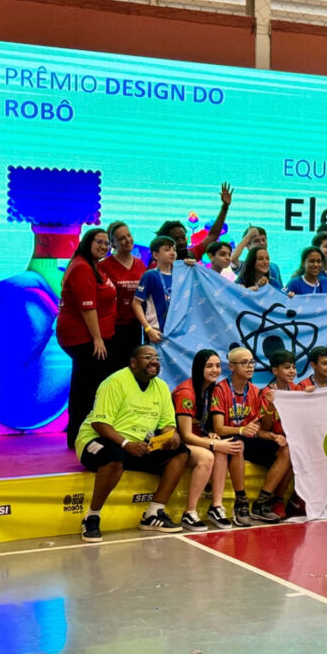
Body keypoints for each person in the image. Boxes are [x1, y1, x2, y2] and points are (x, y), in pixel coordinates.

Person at [75, 346, 203, 542]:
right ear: (133, 362)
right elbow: (99, 423)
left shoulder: (161, 387)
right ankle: (92, 517)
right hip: (98, 440)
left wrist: (172, 436)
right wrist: (126, 444)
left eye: (157, 358)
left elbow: (167, 424)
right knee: (114, 456)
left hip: (139, 446)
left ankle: (154, 512)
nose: (154, 362)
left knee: (181, 451)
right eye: (148, 357)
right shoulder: (115, 382)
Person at [213, 347, 289, 524]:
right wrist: (241, 430)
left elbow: (262, 428)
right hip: (229, 438)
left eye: (252, 362)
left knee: (285, 450)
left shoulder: (255, 391)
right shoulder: (220, 389)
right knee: (238, 444)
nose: (250, 366)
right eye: (244, 363)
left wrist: (271, 411)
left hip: (250, 440)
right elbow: (218, 428)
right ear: (231, 367)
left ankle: (261, 503)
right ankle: (241, 501)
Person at [172, 349, 245, 530]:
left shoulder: (212, 390)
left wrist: (211, 433)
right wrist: (214, 443)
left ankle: (216, 506)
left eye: (218, 366)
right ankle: (189, 512)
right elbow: (186, 434)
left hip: (196, 439)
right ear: (199, 368)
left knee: (224, 449)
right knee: (208, 456)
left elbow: (205, 423)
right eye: (209, 366)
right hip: (177, 441)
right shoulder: (186, 393)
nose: (215, 370)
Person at [57, 227, 117, 449]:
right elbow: (87, 307)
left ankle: (81, 435)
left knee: (87, 386)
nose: (103, 246)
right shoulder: (82, 267)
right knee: (85, 389)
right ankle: (78, 437)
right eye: (98, 242)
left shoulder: (92, 265)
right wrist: (97, 339)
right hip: (83, 338)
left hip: (91, 337)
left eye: (106, 243)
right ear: (87, 242)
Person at [260, 349, 312, 519]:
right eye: (287, 367)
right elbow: (264, 427)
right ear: (275, 370)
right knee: (290, 450)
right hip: (270, 439)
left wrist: (311, 397)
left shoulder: (298, 390)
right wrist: (271, 406)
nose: (292, 371)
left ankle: (298, 499)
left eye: (294, 367)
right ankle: (276, 500)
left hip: (291, 439)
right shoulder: (266, 392)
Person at [99, 221, 147, 371]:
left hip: (135, 326)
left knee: (132, 369)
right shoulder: (103, 266)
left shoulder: (140, 264)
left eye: (128, 235)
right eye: (121, 238)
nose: (127, 240)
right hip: (112, 328)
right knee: (114, 370)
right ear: (112, 243)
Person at [154, 181, 232, 262]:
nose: (181, 242)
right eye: (176, 239)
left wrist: (225, 207)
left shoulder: (191, 255)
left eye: (183, 237)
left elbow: (213, 236)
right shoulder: (156, 266)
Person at [132, 235, 176, 343]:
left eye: (174, 249)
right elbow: (136, 304)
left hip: (174, 332)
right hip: (156, 332)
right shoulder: (150, 275)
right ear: (156, 255)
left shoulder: (179, 275)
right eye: (167, 250)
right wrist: (148, 329)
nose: (172, 253)